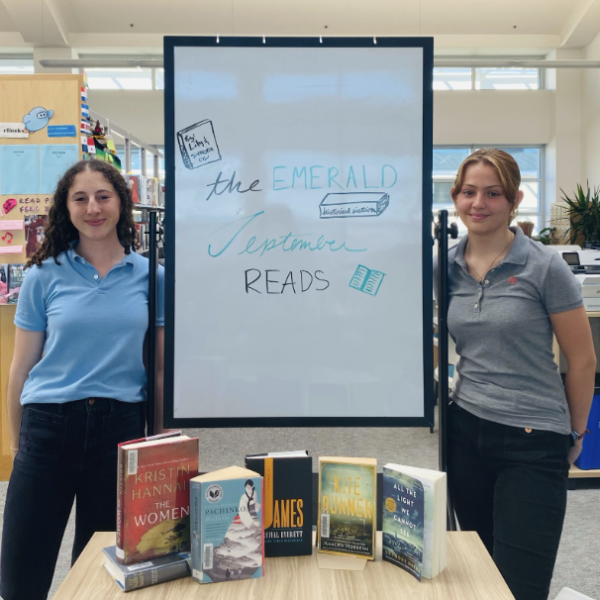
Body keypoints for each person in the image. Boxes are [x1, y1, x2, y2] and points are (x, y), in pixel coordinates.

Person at [0, 159, 165, 600]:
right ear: (66, 208)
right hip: (48, 427)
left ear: (121, 205)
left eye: (103, 196)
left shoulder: (153, 278)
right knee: (22, 573)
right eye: (80, 198)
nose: (93, 207)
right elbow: (21, 369)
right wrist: (20, 449)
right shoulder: (42, 276)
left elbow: (160, 368)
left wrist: (162, 444)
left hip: (119, 431)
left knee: (102, 577)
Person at [439, 148, 596, 600]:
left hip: (534, 438)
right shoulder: (444, 265)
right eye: (469, 192)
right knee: (478, 571)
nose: (479, 203)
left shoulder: (544, 267)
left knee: (518, 587)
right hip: (466, 432)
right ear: (455, 197)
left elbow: (582, 360)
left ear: (514, 199)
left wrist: (576, 435)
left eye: (493, 193)